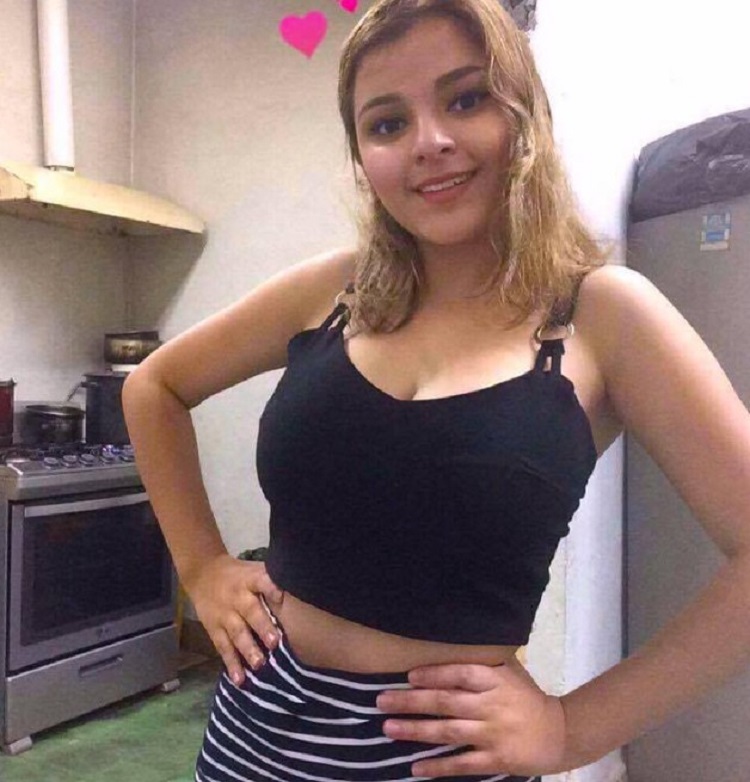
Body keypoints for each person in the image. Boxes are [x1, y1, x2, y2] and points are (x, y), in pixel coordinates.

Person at [122, 0, 750, 780]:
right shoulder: (336, 289)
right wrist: (203, 567)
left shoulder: (600, 315)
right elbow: (156, 386)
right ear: (362, 156)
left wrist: (572, 729)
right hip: (254, 737)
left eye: (465, 98)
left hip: (442, 762)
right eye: (387, 123)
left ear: (524, 113)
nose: (429, 143)